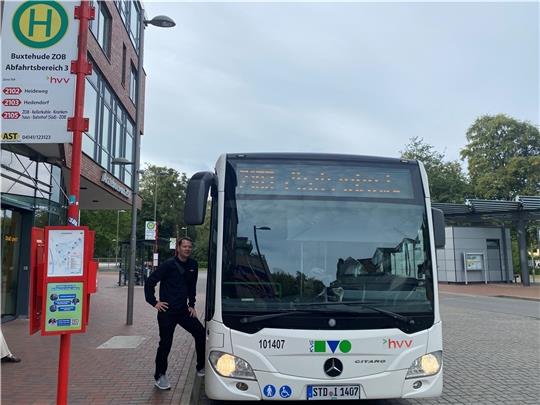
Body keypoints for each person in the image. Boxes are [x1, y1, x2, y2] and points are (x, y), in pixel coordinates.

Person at [144, 237, 205, 390]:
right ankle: (160, 375)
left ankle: (201, 367)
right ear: (178, 248)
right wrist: (154, 302)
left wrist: (192, 305)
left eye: (190, 247)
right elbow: (150, 282)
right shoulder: (168, 265)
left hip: (183, 311)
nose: (187, 249)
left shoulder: (193, 265)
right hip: (167, 312)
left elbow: (192, 286)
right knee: (165, 343)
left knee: (200, 333)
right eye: (184, 246)